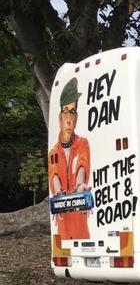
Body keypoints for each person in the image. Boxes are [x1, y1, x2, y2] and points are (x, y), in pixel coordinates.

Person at [48, 77, 91, 239]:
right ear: (60, 119)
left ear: (76, 118)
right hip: (63, 224)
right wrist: (58, 192)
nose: (68, 119)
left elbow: (82, 164)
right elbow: (54, 174)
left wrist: (80, 186)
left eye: (72, 113)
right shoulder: (53, 152)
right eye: (65, 112)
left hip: (80, 226)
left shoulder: (82, 144)